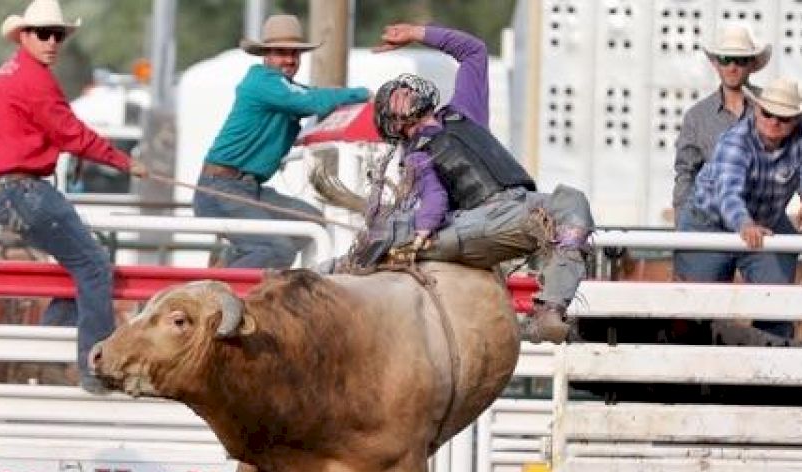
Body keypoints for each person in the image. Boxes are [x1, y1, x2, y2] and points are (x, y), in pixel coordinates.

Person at [369, 23, 596, 344]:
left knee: (572, 201)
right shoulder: (417, 154)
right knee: (400, 233)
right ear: (396, 124)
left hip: (522, 205)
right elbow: (432, 198)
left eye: (404, 89)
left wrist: (418, 33)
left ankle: (550, 310)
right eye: (395, 97)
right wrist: (423, 227)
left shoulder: (463, 111)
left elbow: (473, 51)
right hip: (478, 220)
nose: (403, 90)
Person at [0, 0, 146, 394]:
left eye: (58, 35)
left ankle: (47, 351)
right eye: (44, 34)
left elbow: (56, 132)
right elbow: (71, 133)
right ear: (24, 36)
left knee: (82, 263)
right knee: (95, 266)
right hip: (19, 188)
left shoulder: (12, 74)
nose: (52, 41)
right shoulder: (34, 80)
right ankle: (98, 366)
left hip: (6, 188)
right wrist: (123, 162)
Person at [194, 14, 370, 269]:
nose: (289, 60)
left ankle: (229, 263)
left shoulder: (281, 87)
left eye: (294, 54)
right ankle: (216, 294)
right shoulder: (263, 81)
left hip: (241, 188)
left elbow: (309, 97)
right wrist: (363, 94)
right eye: (281, 53)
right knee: (276, 249)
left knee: (310, 221)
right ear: (266, 55)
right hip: (221, 189)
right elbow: (311, 101)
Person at [674, 76, 802, 340]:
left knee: (778, 305)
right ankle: (692, 375)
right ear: (756, 110)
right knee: (695, 312)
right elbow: (728, 194)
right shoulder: (735, 140)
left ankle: (772, 369)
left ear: (796, 120)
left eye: (783, 118)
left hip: (765, 224)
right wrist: (744, 224)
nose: (774, 122)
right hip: (709, 223)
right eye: (768, 113)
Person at [673, 23, 769, 218]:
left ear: (751, 64)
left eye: (740, 60)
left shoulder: (772, 108)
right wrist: (682, 223)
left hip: (765, 220)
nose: (732, 67)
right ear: (715, 64)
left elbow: (800, 155)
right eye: (725, 59)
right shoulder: (697, 117)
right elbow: (685, 173)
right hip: (712, 222)